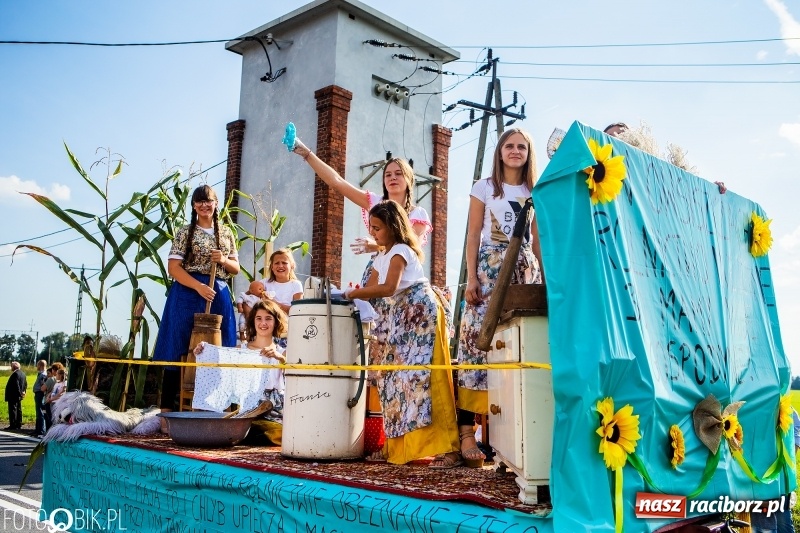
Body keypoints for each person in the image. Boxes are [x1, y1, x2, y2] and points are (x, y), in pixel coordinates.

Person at [290, 137, 433, 390]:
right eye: (388, 173)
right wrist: (306, 153)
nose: (392, 178)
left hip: (402, 278)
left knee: (399, 344)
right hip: (378, 272)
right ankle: (370, 398)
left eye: (399, 173)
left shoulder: (417, 214)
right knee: (374, 336)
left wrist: (375, 246)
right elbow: (337, 182)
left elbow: (412, 247)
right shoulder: (375, 202)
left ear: (409, 180)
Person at [345, 200, 460, 468]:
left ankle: (448, 448)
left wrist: (352, 294)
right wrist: (350, 294)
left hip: (420, 314)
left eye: (377, 228)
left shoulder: (401, 250)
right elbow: (372, 286)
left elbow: (388, 288)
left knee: (423, 376)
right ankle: (402, 447)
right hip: (400, 316)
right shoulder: (382, 256)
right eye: (371, 228)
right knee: (395, 380)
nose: (373, 233)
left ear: (393, 227)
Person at [457, 128, 544, 468]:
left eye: (522, 146)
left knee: (515, 346)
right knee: (475, 344)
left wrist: (544, 282)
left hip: (523, 273)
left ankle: (507, 438)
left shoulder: (536, 191)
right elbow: (473, 233)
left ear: (529, 153)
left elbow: (537, 240)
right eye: (509, 145)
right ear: (500, 151)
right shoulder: (484, 187)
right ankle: (467, 433)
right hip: (488, 271)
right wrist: (471, 278)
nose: (515, 151)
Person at [152, 185, 240, 423]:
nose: (204, 205)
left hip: (218, 291)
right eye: (199, 201)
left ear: (215, 203)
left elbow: (235, 269)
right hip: (187, 292)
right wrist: (198, 286)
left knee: (219, 349)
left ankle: (214, 411)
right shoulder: (184, 232)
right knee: (176, 347)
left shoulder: (226, 233)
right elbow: (173, 269)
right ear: (193, 206)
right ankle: (166, 416)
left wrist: (222, 258)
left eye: (208, 201)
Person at [261, 248, 303, 315]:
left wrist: (272, 303)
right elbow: (247, 297)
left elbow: (297, 310)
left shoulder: (296, 285)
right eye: (277, 263)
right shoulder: (264, 283)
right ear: (272, 267)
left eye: (284, 263)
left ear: (292, 266)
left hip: (288, 324)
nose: (280, 266)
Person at [4, 361, 27, 430]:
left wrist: (19, 392)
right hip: (19, 395)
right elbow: (25, 384)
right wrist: (23, 392)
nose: (11, 367)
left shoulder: (15, 374)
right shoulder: (23, 374)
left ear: (13, 367)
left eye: (11, 366)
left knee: (13, 410)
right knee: (19, 409)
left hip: (13, 395)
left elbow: (16, 385)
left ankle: (13, 425)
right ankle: (18, 423)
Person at [32, 360, 48, 437]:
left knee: (40, 412)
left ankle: (40, 430)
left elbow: (43, 385)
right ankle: (37, 429)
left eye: (38, 365)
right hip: (38, 393)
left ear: (41, 365)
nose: (37, 367)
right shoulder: (41, 374)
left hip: (40, 394)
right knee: (38, 412)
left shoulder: (43, 375)